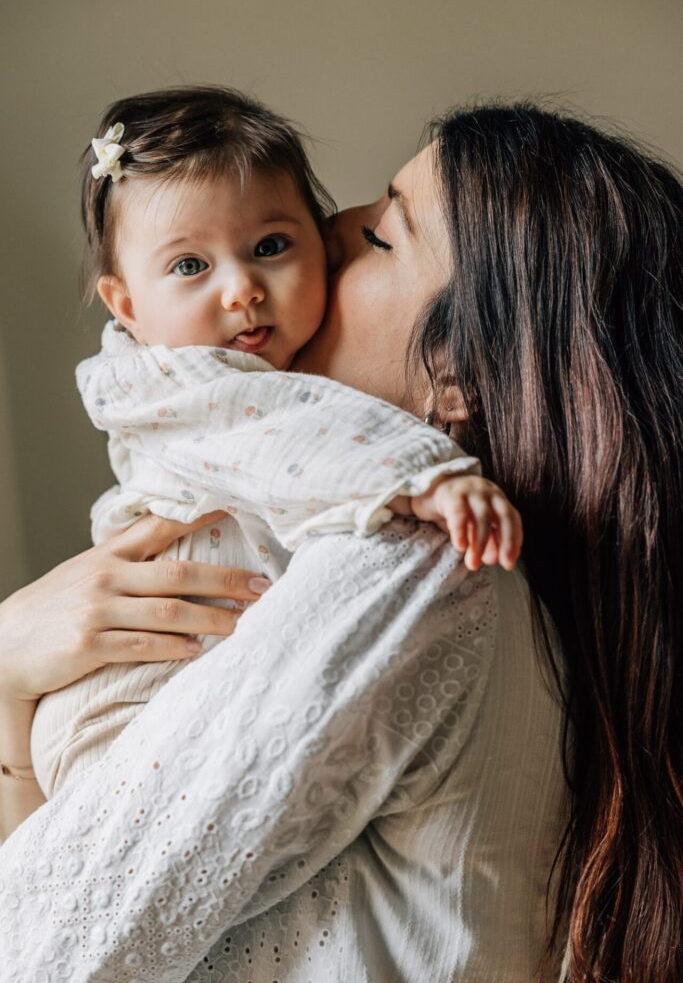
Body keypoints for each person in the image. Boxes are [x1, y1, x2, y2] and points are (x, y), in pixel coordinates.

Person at [0, 101, 681, 983]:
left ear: (458, 379)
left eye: (383, 236)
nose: (331, 227)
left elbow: (41, 943)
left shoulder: (417, 565)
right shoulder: (459, 572)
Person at [30, 86, 521, 799]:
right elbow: (290, 426)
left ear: (317, 242)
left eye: (269, 247)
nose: (241, 290)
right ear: (128, 307)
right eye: (190, 266)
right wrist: (428, 477)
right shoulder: (186, 383)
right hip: (134, 684)